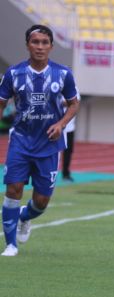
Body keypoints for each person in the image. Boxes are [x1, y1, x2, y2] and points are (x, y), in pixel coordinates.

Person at [0, 24, 79, 257]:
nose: (40, 47)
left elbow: (74, 104)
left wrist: (61, 124)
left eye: (45, 43)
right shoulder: (13, 74)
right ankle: (11, 244)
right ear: (27, 45)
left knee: (42, 201)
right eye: (35, 42)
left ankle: (25, 216)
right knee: (13, 189)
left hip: (49, 144)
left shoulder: (63, 74)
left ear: (51, 47)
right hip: (21, 141)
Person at [62, 88, 80, 182]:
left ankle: (66, 173)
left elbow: (75, 103)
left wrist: (58, 102)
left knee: (68, 151)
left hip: (69, 127)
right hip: (53, 125)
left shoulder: (73, 87)